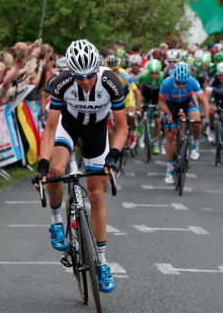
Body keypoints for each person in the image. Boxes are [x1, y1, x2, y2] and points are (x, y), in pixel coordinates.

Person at [34, 39, 126, 293]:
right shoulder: (61, 82)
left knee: (96, 196)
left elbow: (122, 128)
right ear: (71, 73)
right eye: (79, 76)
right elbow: (51, 128)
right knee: (55, 171)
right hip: (69, 125)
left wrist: (113, 157)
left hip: (97, 130)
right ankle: (55, 222)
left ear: (97, 68)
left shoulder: (110, 81)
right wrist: (42, 165)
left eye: (89, 75)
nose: (85, 81)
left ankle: (102, 263)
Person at [159, 62, 208, 184]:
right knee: (170, 135)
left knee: (196, 121)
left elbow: (203, 99)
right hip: (171, 104)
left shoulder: (192, 81)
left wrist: (206, 117)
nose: (181, 85)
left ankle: (195, 144)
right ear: (173, 77)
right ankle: (169, 170)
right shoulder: (166, 83)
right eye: (178, 82)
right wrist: (168, 113)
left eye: (183, 83)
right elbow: (161, 102)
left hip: (187, 102)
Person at [105, 55, 142, 149]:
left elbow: (137, 93)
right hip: (111, 98)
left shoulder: (124, 75)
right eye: (110, 70)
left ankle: (133, 131)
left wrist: (137, 109)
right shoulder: (103, 75)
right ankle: (111, 149)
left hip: (126, 96)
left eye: (115, 70)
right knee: (109, 127)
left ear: (119, 67)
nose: (113, 73)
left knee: (131, 115)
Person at [135, 59, 164, 154]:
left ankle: (156, 143)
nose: (154, 75)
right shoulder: (144, 75)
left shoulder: (163, 77)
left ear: (159, 71)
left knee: (157, 121)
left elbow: (166, 93)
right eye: (152, 73)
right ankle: (139, 126)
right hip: (145, 95)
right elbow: (136, 87)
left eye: (156, 73)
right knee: (141, 111)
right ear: (149, 71)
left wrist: (161, 105)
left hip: (157, 98)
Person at [205, 62, 223, 154]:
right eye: (220, 75)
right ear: (217, 74)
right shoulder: (214, 78)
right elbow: (207, 94)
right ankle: (212, 128)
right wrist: (205, 103)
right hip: (216, 95)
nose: (222, 77)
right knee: (212, 110)